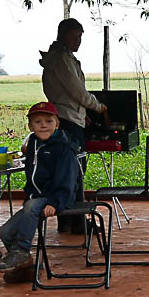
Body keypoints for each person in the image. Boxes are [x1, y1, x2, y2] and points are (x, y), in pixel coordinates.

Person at [0, 101, 79, 280]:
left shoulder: (63, 149)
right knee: (5, 232)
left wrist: (55, 203)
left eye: (49, 121)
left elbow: (68, 181)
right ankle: (26, 268)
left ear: (57, 124)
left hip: (54, 197)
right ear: (30, 126)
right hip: (35, 198)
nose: (43, 125)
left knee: (32, 206)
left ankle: (21, 251)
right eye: (38, 122)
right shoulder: (34, 144)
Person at [40, 17, 105, 233]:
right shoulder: (62, 60)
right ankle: (76, 220)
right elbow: (77, 92)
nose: (79, 41)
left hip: (67, 116)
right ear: (65, 35)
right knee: (74, 172)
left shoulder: (58, 58)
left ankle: (67, 219)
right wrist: (98, 107)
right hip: (68, 122)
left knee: (67, 171)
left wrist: (83, 113)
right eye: (76, 36)